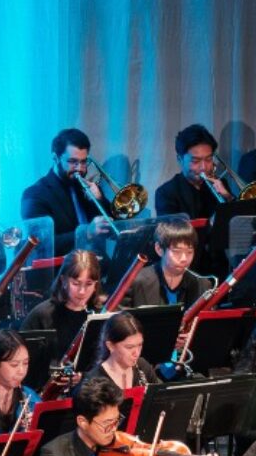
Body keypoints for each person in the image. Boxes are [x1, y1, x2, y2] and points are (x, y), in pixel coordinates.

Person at [20, 127, 110, 256]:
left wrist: (99, 199)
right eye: (73, 162)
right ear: (55, 158)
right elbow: (41, 244)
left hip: (98, 264)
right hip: (62, 268)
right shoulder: (35, 194)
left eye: (83, 162)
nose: (80, 169)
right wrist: (87, 232)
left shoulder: (88, 188)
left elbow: (112, 229)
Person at [21, 248, 103, 369]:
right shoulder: (42, 315)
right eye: (76, 283)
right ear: (63, 280)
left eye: (89, 284)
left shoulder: (100, 315)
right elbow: (25, 363)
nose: (82, 291)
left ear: (96, 284)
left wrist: (84, 375)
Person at [122, 218, 210, 309]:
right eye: (177, 251)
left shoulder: (203, 286)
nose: (184, 259)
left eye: (189, 252)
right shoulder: (135, 281)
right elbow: (119, 316)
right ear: (159, 249)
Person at [95, 312, 161, 391]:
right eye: (129, 347)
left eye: (140, 345)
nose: (137, 353)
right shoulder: (95, 383)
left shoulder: (143, 366)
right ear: (110, 346)